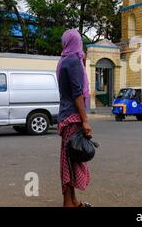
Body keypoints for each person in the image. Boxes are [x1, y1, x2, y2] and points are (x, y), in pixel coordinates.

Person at [56, 29, 93, 207]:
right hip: (73, 116)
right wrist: (85, 120)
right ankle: (68, 203)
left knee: (68, 160)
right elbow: (77, 92)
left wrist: (83, 63)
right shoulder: (73, 62)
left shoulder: (64, 60)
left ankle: (71, 201)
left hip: (65, 115)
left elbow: (75, 85)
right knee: (73, 160)